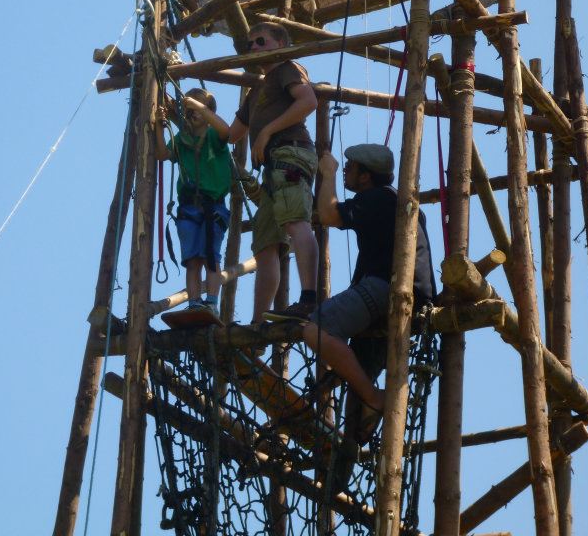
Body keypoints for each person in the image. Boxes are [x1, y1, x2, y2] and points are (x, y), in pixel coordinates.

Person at [267, 144, 437, 442]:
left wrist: (328, 173)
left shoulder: (377, 198)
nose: (346, 170)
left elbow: (328, 214)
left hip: (388, 288)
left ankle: (374, 398)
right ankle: (361, 415)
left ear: (366, 176)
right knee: (358, 384)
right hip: (407, 293)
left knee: (317, 330)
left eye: (351, 167)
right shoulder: (393, 200)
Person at [227, 23, 320, 324]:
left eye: (260, 41)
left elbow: (308, 101)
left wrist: (267, 132)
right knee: (266, 245)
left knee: (295, 221)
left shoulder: (287, 69)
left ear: (280, 44)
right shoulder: (256, 90)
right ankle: (258, 321)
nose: (253, 48)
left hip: (291, 153)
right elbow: (231, 134)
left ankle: (309, 298)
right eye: (250, 44)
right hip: (271, 169)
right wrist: (194, 112)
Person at [155, 88, 232, 315]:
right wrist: (160, 126)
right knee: (192, 260)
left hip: (213, 206)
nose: (193, 113)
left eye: (199, 108)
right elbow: (162, 154)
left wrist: (199, 107)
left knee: (210, 256)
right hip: (188, 208)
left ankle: (212, 302)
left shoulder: (214, 137)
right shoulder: (182, 139)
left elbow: (225, 130)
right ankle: (194, 303)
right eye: (189, 109)